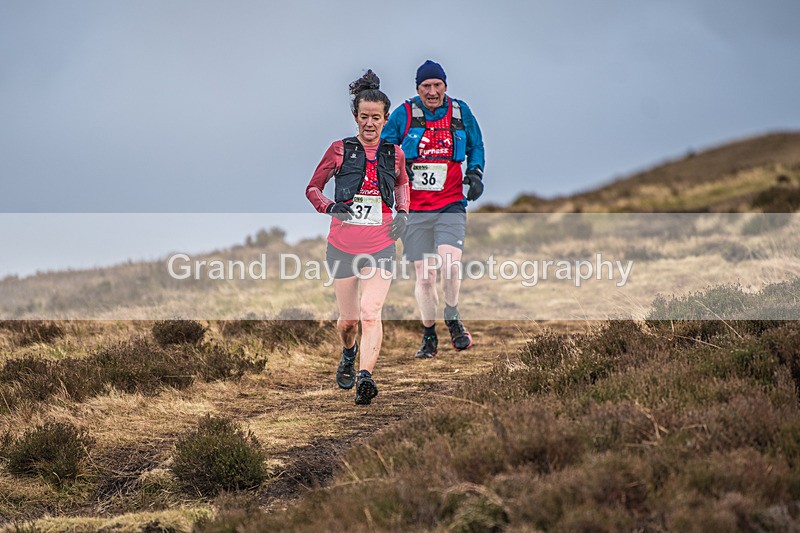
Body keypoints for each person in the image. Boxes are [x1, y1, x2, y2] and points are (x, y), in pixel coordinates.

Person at [306, 70, 410, 405]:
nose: (369, 123)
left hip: (381, 245)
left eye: (376, 118)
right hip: (342, 247)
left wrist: (404, 214)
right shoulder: (338, 150)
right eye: (364, 117)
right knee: (349, 321)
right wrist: (330, 207)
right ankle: (348, 352)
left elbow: (401, 184)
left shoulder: (394, 154)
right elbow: (312, 188)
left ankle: (365, 377)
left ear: (385, 119)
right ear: (355, 117)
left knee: (371, 310)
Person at [381, 60, 485, 359]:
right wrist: (399, 170)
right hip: (414, 209)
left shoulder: (460, 112)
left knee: (450, 265)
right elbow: (386, 150)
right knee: (425, 277)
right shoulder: (404, 114)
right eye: (426, 86)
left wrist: (475, 173)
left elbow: (476, 145)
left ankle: (452, 314)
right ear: (418, 89)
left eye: (436, 85)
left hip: (451, 203)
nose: (431, 91)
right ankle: (429, 335)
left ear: (445, 87)